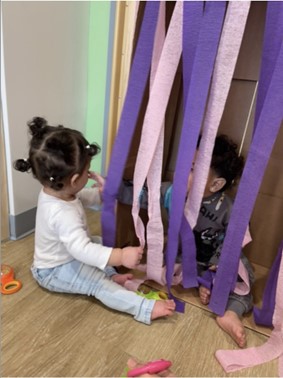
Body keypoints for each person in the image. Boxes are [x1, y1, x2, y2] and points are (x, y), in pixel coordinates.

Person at [13, 116, 175, 325]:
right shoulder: (61, 213)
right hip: (54, 271)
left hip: (68, 255)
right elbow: (82, 250)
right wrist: (121, 256)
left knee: (98, 241)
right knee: (98, 284)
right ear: (74, 180)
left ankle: (111, 275)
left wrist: (102, 194)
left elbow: (79, 198)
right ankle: (143, 308)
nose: (90, 174)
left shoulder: (56, 192)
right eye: (87, 171)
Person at [118, 135, 254, 347]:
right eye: (184, 164)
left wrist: (218, 266)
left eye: (192, 169)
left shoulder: (228, 208)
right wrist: (112, 189)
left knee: (243, 274)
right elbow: (146, 195)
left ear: (216, 184)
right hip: (187, 258)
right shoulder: (174, 192)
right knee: (172, 268)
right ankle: (202, 284)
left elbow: (235, 239)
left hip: (216, 260)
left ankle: (230, 312)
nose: (182, 172)